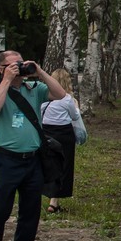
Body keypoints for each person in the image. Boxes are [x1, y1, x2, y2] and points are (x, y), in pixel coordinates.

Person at [0, 50, 66, 241]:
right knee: (0, 208)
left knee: (31, 209)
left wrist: (40, 72)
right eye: (13, 65)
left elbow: (61, 94)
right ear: (1, 68)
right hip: (6, 160)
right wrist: (7, 80)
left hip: (33, 160)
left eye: (20, 63)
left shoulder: (34, 90)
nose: (19, 67)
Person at [40, 68, 82, 214]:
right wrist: (76, 106)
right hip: (64, 134)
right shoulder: (67, 99)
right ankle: (54, 201)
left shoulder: (43, 98)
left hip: (46, 133)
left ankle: (45, 194)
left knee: (47, 165)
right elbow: (75, 116)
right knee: (63, 166)